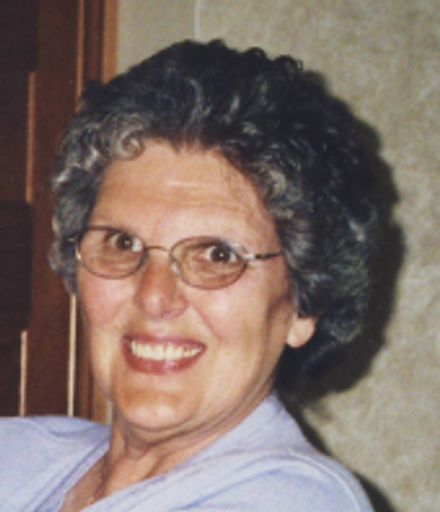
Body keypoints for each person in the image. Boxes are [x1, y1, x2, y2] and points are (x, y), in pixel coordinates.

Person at [0, 40, 378, 511]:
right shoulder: (20, 455)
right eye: (122, 243)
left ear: (304, 303)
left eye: (218, 255)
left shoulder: (291, 501)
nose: (154, 295)